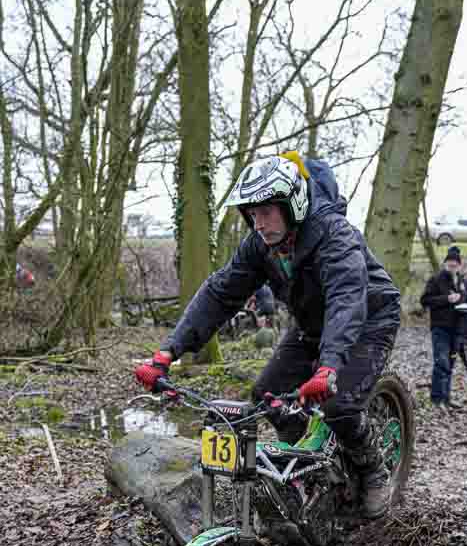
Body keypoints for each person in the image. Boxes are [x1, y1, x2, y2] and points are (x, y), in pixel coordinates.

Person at [135, 151, 401, 524]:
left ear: (291, 205)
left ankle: (373, 469)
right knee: (267, 397)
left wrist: (328, 367)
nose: (259, 223)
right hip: (312, 324)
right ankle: (305, 469)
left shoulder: (335, 236)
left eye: (267, 212)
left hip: (368, 317)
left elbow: (346, 299)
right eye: (253, 214)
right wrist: (168, 351)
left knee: (340, 407)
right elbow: (219, 293)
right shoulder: (260, 246)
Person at [420, 245, 465, 411]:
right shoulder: (436, 279)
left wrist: (465, 304)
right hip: (440, 327)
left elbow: (464, 299)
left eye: (455, 265)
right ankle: (436, 399)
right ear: (445, 264)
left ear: (459, 266)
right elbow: (425, 300)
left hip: (457, 328)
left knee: (451, 363)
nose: (452, 267)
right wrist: (447, 299)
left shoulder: (461, 280)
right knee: (441, 362)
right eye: (450, 264)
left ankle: (446, 398)